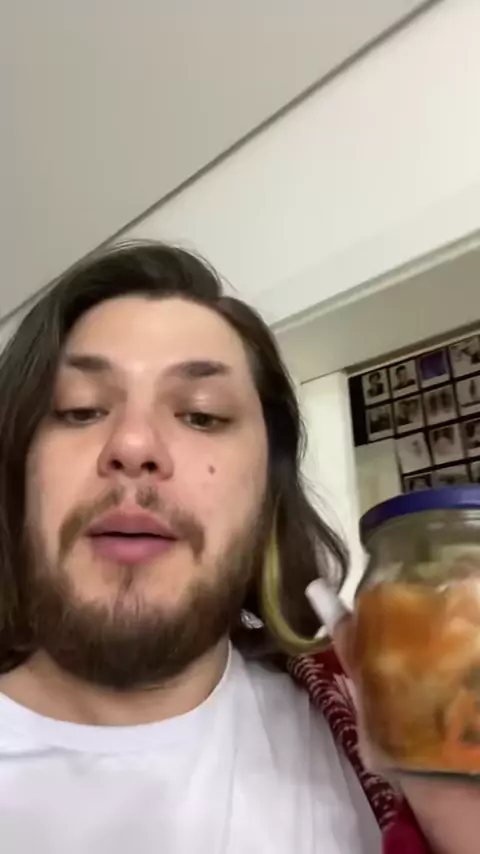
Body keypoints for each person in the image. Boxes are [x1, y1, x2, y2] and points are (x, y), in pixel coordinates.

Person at [0, 242, 473, 853]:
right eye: (81, 409)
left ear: (266, 496)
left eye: (202, 416)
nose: (134, 445)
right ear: (18, 475)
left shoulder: (385, 743)